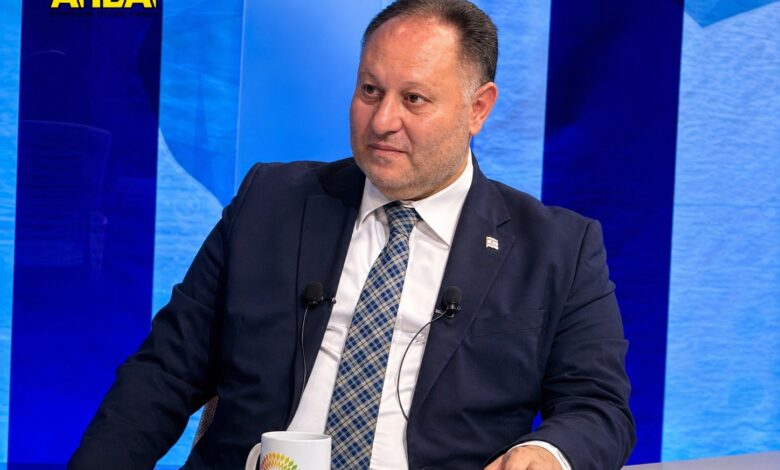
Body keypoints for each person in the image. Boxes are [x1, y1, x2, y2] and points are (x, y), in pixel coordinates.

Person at [70, 0, 635, 468]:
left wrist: (547, 452)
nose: (382, 121)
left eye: (413, 99)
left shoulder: (557, 249)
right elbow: (164, 373)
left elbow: (599, 406)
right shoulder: (270, 202)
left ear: (478, 109)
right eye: (370, 90)